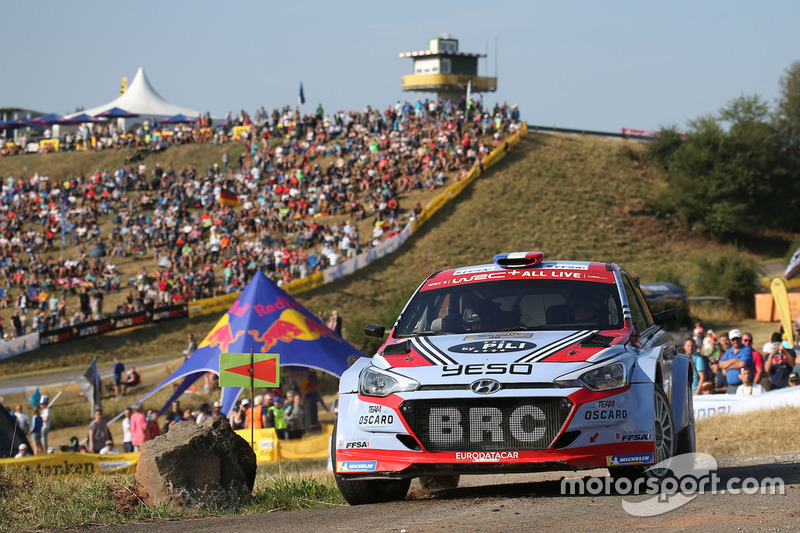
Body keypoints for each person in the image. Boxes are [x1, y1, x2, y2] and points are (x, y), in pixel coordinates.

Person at [719, 329, 753, 394]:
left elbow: (742, 364)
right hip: (731, 386)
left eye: (737, 339)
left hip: (744, 385)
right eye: (733, 339)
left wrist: (728, 367)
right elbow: (720, 364)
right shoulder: (728, 352)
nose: (735, 341)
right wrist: (734, 360)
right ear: (730, 340)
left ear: (740, 338)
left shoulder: (746, 349)